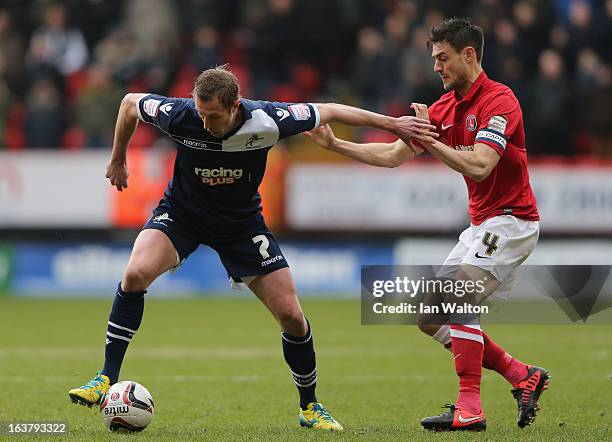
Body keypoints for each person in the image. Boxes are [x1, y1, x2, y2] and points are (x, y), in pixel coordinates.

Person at [67, 64, 437, 431]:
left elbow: (333, 110)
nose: (206, 123)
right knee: (134, 273)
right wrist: (118, 159)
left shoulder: (268, 119)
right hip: (182, 215)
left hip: (241, 227)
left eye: (213, 116)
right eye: (201, 113)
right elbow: (130, 103)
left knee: (291, 315)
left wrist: (395, 125)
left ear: (234, 106)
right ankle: (105, 378)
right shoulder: (181, 115)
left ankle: (310, 407)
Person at [306, 18, 549, 432]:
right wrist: (337, 145)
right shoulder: (443, 108)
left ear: (468, 54)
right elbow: (392, 155)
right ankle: (520, 374)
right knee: (429, 315)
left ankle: (469, 407)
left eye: (443, 58)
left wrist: (433, 141)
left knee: (455, 300)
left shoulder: (500, 101)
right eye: (434, 58)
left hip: (512, 223)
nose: (436, 66)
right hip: (482, 226)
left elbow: (480, 164)